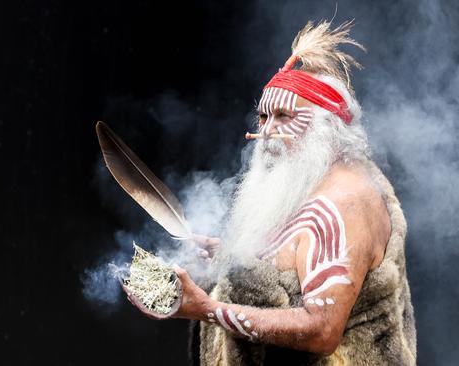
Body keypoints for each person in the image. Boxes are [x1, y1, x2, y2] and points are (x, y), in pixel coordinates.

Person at [126, 20, 416, 366]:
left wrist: (207, 309)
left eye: (284, 116)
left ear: (329, 126)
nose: (266, 132)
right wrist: (228, 258)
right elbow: (297, 260)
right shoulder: (310, 178)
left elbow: (323, 329)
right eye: (263, 117)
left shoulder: (343, 204)